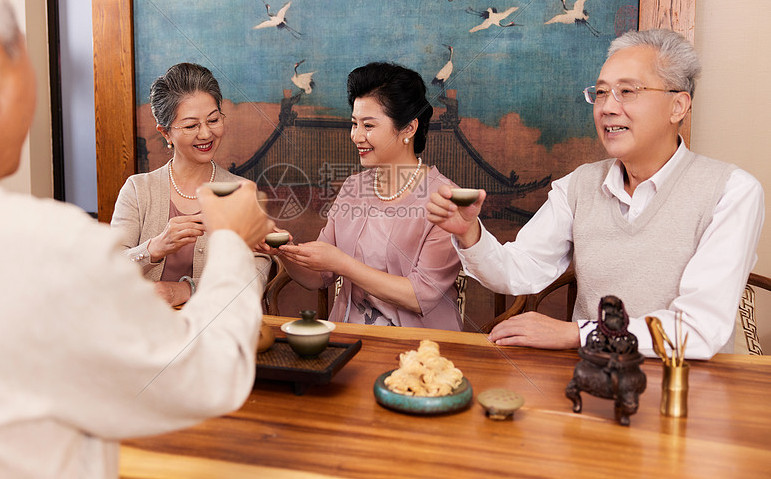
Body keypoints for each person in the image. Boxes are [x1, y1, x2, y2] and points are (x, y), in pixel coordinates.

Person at [0, 0, 274, 477]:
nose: (206, 132)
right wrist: (226, 241)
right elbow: (203, 375)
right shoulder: (47, 245)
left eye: (213, 119)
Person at [426, 29, 764, 359]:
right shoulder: (578, 185)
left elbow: (699, 328)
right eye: (601, 93)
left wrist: (577, 333)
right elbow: (518, 271)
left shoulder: (731, 191)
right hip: (590, 382)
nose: (606, 107)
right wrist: (469, 233)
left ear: (678, 106)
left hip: (686, 392)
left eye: (627, 91)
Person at [263, 62, 463, 330]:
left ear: (408, 128)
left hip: (420, 349)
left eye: (368, 125)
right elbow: (318, 277)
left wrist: (343, 263)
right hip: (347, 338)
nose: (356, 136)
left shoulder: (447, 199)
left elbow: (421, 295)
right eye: (354, 123)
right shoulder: (352, 188)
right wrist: (282, 251)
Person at [111, 63, 272, 307]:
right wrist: (155, 247)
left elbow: (255, 278)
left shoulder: (242, 191)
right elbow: (109, 271)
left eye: (213, 120)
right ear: (165, 133)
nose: (206, 134)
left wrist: (186, 290)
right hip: (141, 330)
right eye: (191, 126)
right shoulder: (138, 190)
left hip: (214, 332)